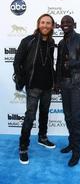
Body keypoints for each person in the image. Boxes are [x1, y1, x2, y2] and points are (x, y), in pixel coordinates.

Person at [13, 14, 56, 165]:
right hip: (33, 87)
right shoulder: (28, 41)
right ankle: (23, 146)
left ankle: (42, 137)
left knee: (44, 113)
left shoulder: (52, 42)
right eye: (43, 22)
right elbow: (17, 62)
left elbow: (50, 65)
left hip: (48, 86)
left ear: (52, 26)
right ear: (38, 24)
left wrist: (54, 82)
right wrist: (21, 80)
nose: (45, 25)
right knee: (30, 117)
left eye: (48, 23)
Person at [56, 15, 80, 167]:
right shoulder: (60, 43)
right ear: (60, 26)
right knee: (67, 116)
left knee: (76, 117)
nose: (65, 24)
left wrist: (73, 63)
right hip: (64, 84)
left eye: (69, 22)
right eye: (63, 22)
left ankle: (77, 152)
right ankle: (72, 143)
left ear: (74, 24)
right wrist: (56, 82)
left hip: (78, 83)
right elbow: (59, 64)